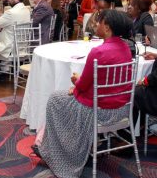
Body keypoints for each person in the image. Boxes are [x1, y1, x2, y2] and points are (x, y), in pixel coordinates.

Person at [33, 10, 133, 177]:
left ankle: (59, 152)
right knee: (65, 98)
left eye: (99, 22)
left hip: (99, 111)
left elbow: (83, 84)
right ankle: (76, 146)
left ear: (107, 28)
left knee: (55, 99)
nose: (96, 25)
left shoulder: (98, 52)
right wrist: (78, 87)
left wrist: (76, 81)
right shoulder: (126, 48)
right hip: (121, 109)